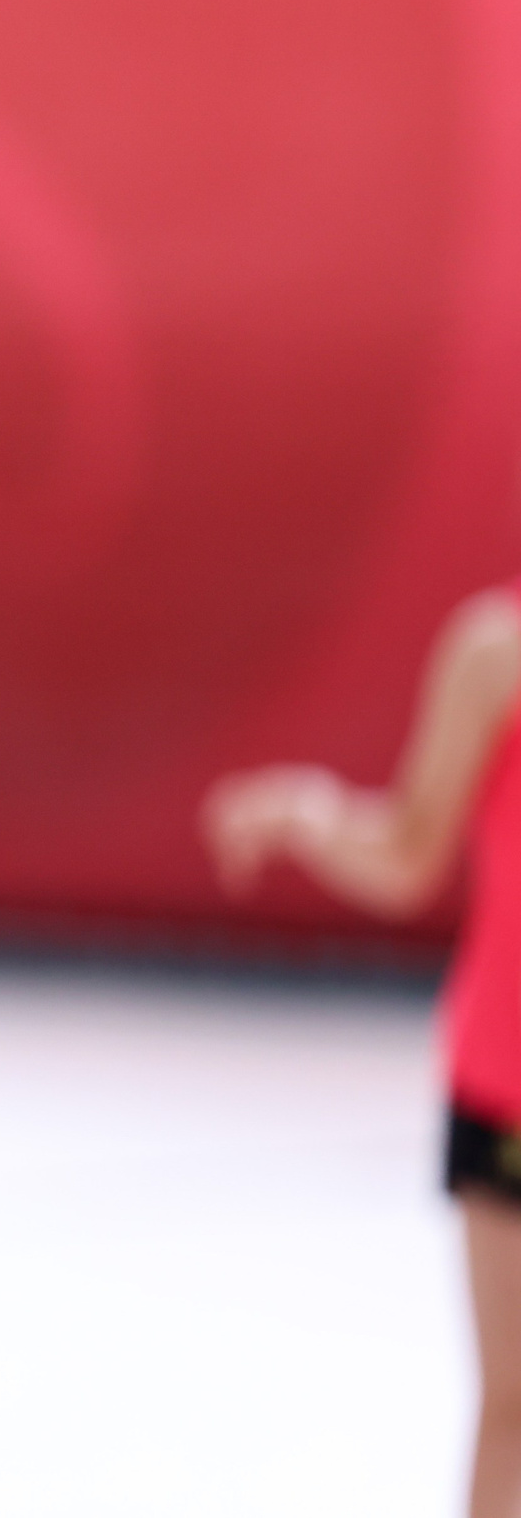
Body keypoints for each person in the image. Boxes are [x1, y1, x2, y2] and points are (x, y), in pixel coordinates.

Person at [204, 588, 521, 1518]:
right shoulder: (496, 656)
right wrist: (308, 812)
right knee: (513, 1411)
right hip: (507, 1088)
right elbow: (408, 848)